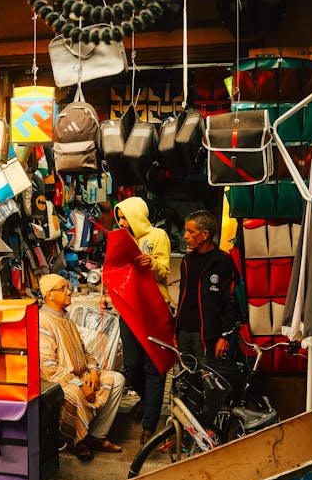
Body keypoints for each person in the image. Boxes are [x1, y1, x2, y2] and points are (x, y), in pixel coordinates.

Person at [38, 274, 125, 462]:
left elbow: (84, 351)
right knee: (74, 394)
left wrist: (93, 370)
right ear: (49, 295)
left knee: (117, 379)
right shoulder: (43, 321)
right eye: (62, 289)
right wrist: (80, 384)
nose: (69, 292)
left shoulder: (66, 317)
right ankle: (77, 442)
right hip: (60, 380)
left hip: (81, 374)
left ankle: (96, 435)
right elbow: (48, 368)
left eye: (67, 287)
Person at [113, 196, 171, 445]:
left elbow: (165, 272)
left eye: (125, 217)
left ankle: (149, 424)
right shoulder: (121, 240)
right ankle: (148, 400)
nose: (121, 222)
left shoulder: (158, 236)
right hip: (129, 309)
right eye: (119, 218)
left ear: (136, 215)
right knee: (131, 364)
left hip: (154, 308)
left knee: (154, 366)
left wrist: (152, 263)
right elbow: (113, 271)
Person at [174, 210, 243, 380]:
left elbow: (231, 301)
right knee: (185, 382)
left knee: (210, 383)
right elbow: (183, 297)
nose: (185, 236)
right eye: (185, 231)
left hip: (208, 336)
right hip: (184, 333)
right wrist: (176, 331)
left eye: (191, 232)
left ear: (205, 235)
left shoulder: (223, 261)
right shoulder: (187, 261)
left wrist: (225, 336)